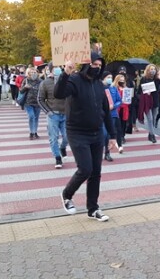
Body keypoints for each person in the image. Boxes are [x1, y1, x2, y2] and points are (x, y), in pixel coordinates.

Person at [54, 53, 117, 222]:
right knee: (85, 169)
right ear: (86, 64)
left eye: (99, 65)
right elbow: (59, 93)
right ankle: (67, 195)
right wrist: (65, 72)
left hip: (96, 133)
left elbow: (106, 112)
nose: (96, 67)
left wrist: (112, 136)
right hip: (77, 132)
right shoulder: (74, 80)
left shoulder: (99, 85)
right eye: (94, 64)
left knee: (96, 173)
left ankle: (93, 208)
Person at [38, 62, 68, 169]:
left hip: (65, 114)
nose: (58, 69)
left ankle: (62, 148)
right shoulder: (45, 83)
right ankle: (57, 158)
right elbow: (40, 99)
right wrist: (48, 112)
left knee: (67, 137)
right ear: (50, 70)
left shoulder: (66, 81)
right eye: (55, 68)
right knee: (53, 138)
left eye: (59, 67)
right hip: (53, 114)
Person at [138, 64, 159, 143]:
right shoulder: (144, 79)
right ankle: (153, 135)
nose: (152, 70)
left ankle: (150, 134)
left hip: (155, 101)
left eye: (154, 69)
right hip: (147, 102)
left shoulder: (157, 79)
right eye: (151, 69)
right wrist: (145, 93)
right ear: (148, 70)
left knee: (153, 119)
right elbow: (139, 91)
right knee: (149, 119)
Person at [21, 68, 42, 140]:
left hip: (38, 102)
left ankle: (35, 132)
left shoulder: (40, 81)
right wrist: (25, 87)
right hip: (28, 102)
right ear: (29, 74)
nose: (33, 74)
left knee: (36, 118)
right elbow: (21, 91)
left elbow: (44, 91)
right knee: (31, 116)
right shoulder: (26, 80)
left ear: (37, 73)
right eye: (32, 72)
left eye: (35, 72)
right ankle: (31, 132)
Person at [114, 74, 130, 145]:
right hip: (117, 108)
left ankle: (122, 136)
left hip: (124, 108)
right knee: (118, 124)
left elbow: (128, 100)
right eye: (120, 80)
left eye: (123, 80)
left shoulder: (126, 88)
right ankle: (118, 136)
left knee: (124, 123)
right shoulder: (114, 88)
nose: (122, 81)